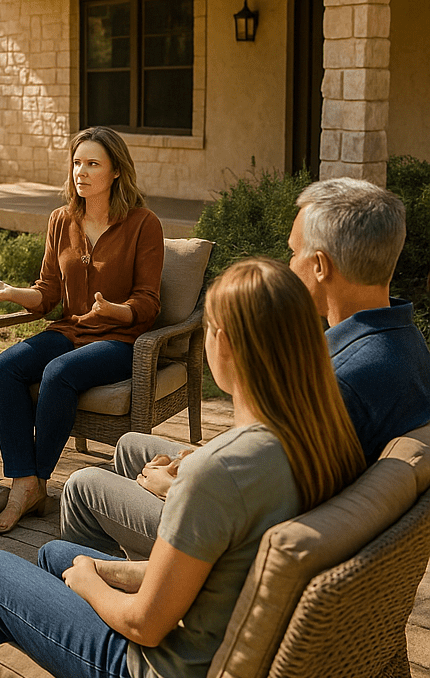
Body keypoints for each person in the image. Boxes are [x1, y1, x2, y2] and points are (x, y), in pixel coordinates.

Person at [0, 258, 365, 678]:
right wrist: (121, 573)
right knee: (54, 556)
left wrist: (89, 584)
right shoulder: (325, 439)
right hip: (225, 647)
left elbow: (146, 626)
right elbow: (233, 566)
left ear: (226, 345)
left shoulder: (219, 475)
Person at [61, 176, 430, 557]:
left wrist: (173, 488)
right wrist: (195, 460)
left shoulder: (345, 381)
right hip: (256, 498)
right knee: (130, 446)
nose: (288, 265)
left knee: (82, 486)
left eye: (293, 252)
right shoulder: (400, 337)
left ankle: (116, 593)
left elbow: (272, 504)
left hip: (241, 543)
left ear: (320, 265)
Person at [0, 127, 163, 534]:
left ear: (115, 172)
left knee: (59, 374)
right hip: (68, 330)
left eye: (93, 163)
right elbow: (48, 294)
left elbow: (149, 302)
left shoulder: (144, 224)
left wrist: (117, 309)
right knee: (4, 367)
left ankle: (29, 487)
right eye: (77, 162)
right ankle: (26, 482)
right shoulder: (61, 219)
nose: (81, 171)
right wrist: (12, 294)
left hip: (119, 340)